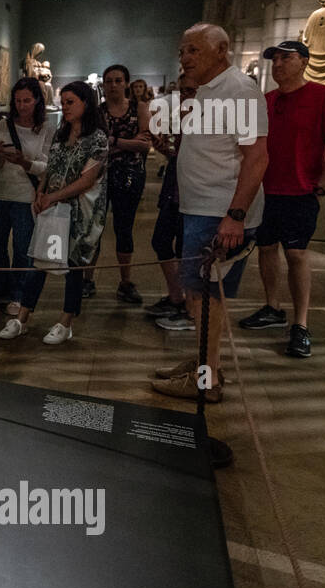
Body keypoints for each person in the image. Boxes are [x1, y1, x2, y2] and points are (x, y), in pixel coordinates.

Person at [151, 23, 268, 401]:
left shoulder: (240, 91)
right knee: (199, 293)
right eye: (182, 51)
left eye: (193, 50)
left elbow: (257, 157)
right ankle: (205, 363)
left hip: (219, 212)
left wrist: (235, 215)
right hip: (203, 208)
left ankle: (208, 379)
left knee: (205, 295)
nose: (184, 58)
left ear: (222, 51)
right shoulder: (208, 90)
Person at [239, 40, 325, 358]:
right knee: (267, 248)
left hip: (300, 191)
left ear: (303, 62)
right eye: (275, 61)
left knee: (297, 255)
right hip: (266, 190)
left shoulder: (324, 96)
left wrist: (321, 187)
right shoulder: (267, 100)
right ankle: (272, 306)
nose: (278, 65)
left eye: (286, 59)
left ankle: (301, 324)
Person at [0, 81, 108, 344]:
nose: (65, 107)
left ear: (85, 103)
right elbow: (51, 167)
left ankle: (66, 321)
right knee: (41, 260)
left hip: (80, 211)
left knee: (73, 265)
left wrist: (51, 197)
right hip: (54, 207)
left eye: (71, 102)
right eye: (64, 102)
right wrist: (41, 192)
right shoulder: (62, 134)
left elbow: (88, 179)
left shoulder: (97, 139)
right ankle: (23, 317)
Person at [0, 77, 56, 314]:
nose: (22, 105)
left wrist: (23, 161)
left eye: (27, 100)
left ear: (37, 101)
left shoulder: (46, 129)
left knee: (22, 248)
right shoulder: (3, 126)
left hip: (25, 196)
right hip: (0, 194)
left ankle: (18, 295)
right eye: (18, 101)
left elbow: (46, 167)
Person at [83, 64, 151, 304]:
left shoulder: (139, 108)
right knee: (94, 228)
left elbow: (145, 143)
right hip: (99, 176)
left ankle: (125, 281)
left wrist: (113, 141)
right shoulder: (97, 112)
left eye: (118, 80)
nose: (113, 85)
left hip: (130, 174)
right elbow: (93, 145)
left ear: (126, 83)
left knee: (124, 228)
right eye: (109, 81)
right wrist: (128, 142)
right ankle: (87, 279)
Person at [147, 74, 195, 331]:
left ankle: (190, 309)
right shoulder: (180, 116)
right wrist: (165, 150)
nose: (186, 96)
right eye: (183, 91)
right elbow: (178, 156)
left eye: (191, 90)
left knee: (187, 251)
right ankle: (177, 297)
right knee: (161, 241)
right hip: (174, 192)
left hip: (194, 196)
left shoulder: (208, 119)